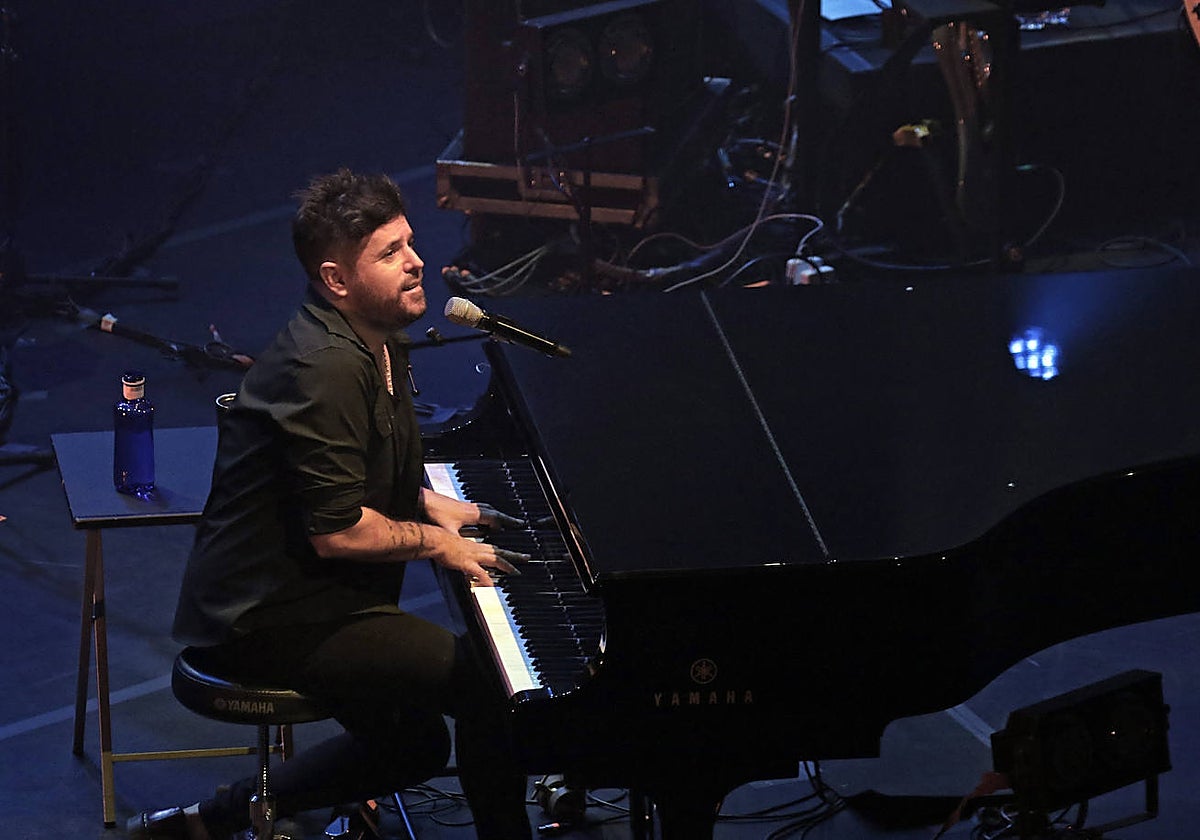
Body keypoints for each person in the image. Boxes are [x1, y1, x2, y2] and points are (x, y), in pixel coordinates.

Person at [129, 169, 533, 840]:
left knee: (415, 745)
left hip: (320, 597)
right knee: (486, 682)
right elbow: (338, 530)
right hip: (268, 617)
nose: (416, 262)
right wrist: (437, 543)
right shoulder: (326, 367)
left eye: (409, 242)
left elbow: (347, 474)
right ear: (336, 279)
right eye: (390, 253)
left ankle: (208, 821)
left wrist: (426, 504)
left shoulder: (377, 338)